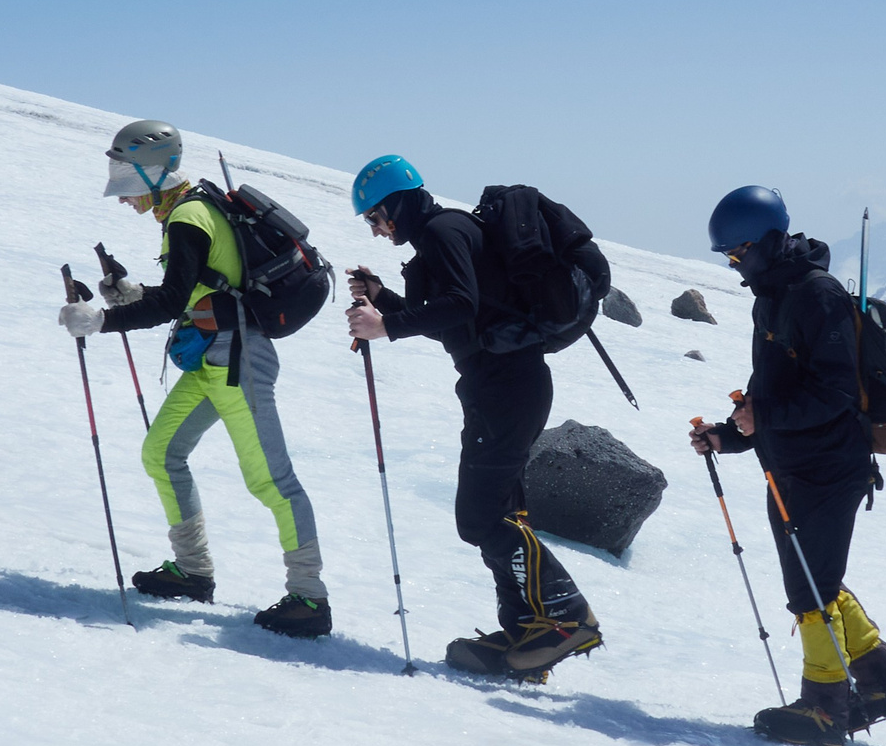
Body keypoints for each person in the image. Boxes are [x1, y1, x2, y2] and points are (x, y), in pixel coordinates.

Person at [56, 120, 330, 637]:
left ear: (152, 171)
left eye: (125, 177)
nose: (121, 195)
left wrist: (103, 320)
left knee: (271, 480)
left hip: (237, 362)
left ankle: (310, 598)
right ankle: (193, 572)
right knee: (161, 453)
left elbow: (174, 302)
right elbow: (196, 292)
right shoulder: (187, 210)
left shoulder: (188, 215)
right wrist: (132, 294)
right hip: (213, 360)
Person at [344, 154, 601, 680]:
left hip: (506, 387)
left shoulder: (441, 231)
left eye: (375, 217)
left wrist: (385, 327)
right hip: (505, 384)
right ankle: (529, 633)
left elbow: (459, 305)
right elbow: (466, 319)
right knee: (500, 509)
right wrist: (385, 303)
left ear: (395, 203)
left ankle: (565, 617)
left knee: (479, 515)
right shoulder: (448, 231)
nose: (376, 230)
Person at [690, 187, 886, 746]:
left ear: (770, 240)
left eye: (739, 251)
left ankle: (824, 707)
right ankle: (885, 685)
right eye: (728, 255)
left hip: (827, 467)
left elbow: (836, 394)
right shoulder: (772, 295)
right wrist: (731, 432)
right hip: (793, 466)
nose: (735, 263)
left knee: (808, 590)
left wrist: (760, 415)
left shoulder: (814, 296)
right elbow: (775, 391)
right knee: (817, 579)